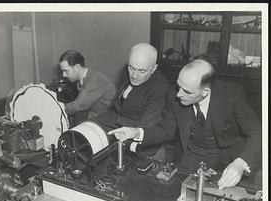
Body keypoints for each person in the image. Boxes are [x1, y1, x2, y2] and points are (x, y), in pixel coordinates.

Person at [109, 59, 261, 189]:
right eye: (178, 86)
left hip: (229, 157)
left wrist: (240, 164)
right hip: (192, 153)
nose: (178, 94)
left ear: (205, 92)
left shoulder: (232, 95)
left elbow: (258, 133)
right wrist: (136, 132)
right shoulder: (173, 95)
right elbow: (166, 130)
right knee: (174, 191)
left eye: (187, 91)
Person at [94, 43, 170, 156]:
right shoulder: (130, 71)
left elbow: (145, 126)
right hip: (120, 129)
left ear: (154, 69)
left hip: (142, 147)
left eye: (142, 71)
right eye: (131, 68)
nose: (134, 75)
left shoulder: (160, 88)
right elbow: (119, 108)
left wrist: (110, 125)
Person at [59, 50, 116, 122]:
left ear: (77, 67)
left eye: (66, 71)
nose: (64, 75)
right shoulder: (82, 81)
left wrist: (57, 108)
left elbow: (77, 105)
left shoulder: (96, 80)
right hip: (95, 115)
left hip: (105, 120)